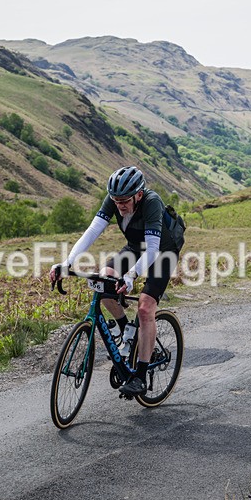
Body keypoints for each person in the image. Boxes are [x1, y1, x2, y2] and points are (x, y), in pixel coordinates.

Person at [49, 166, 185, 396]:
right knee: (105, 279)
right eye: (116, 200)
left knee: (144, 307)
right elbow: (92, 231)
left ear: (138, 195)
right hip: (135, 247)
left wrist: (132, 276)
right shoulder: (114, 200)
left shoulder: (151, 202)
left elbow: (152, 250)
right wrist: (68, 262)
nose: (120, 205)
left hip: (162, 251)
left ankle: (140, 376)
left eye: (124, 201)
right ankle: (127, 331)